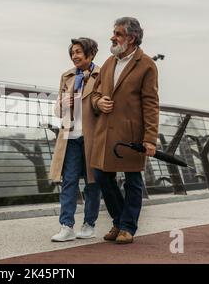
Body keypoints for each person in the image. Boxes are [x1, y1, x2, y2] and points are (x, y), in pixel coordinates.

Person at [91, 17, 159, 244]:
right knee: (102, 175)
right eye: (114, 33)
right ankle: (119, 220)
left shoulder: (147, 64)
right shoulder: (109, 62)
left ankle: (127, 227)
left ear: (130, 38)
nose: (113, 37)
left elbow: (151, 103)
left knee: (132, 180)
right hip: (106, 133)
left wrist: (150, 138)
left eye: (118, 34)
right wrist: (98, 103)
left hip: (131, 135)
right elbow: (95, 94)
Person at [49, 37, 103, 242]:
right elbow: (56, 110)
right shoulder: (67, 76)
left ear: (90, 54)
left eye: (79, 52)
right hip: (70, 136)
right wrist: (63, 102)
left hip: (92, 137)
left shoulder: (102, 75)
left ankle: (89, 224)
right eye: (72, 53)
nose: (75, 56)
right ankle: (66, 226)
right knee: (69, 181)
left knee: (92, 183)